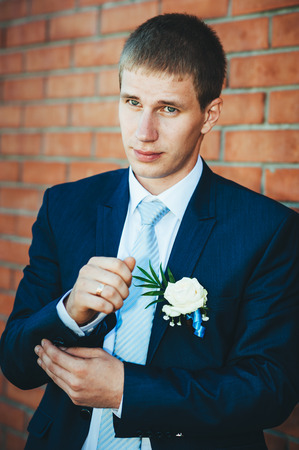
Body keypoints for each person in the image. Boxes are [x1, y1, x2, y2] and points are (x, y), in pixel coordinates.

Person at [0, 13, 298, 450]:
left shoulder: (267, 230)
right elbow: (15, 363)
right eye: (132, 102)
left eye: (169, 109)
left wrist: (126, 390)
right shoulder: (65, 207)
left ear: (209, 114)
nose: (144, 133)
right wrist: (67, 312)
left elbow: (271, 389)